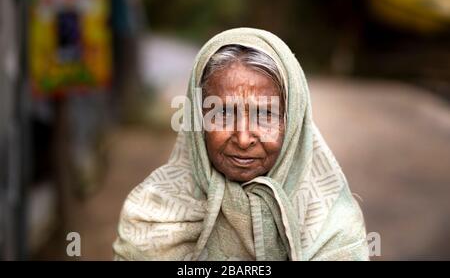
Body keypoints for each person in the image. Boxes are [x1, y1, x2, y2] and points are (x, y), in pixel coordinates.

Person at [113, 28, 369, 260]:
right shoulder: (152, 214)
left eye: (266, 115)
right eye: (222, 113)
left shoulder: (333, 223)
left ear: (292, 123)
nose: (244, 139)